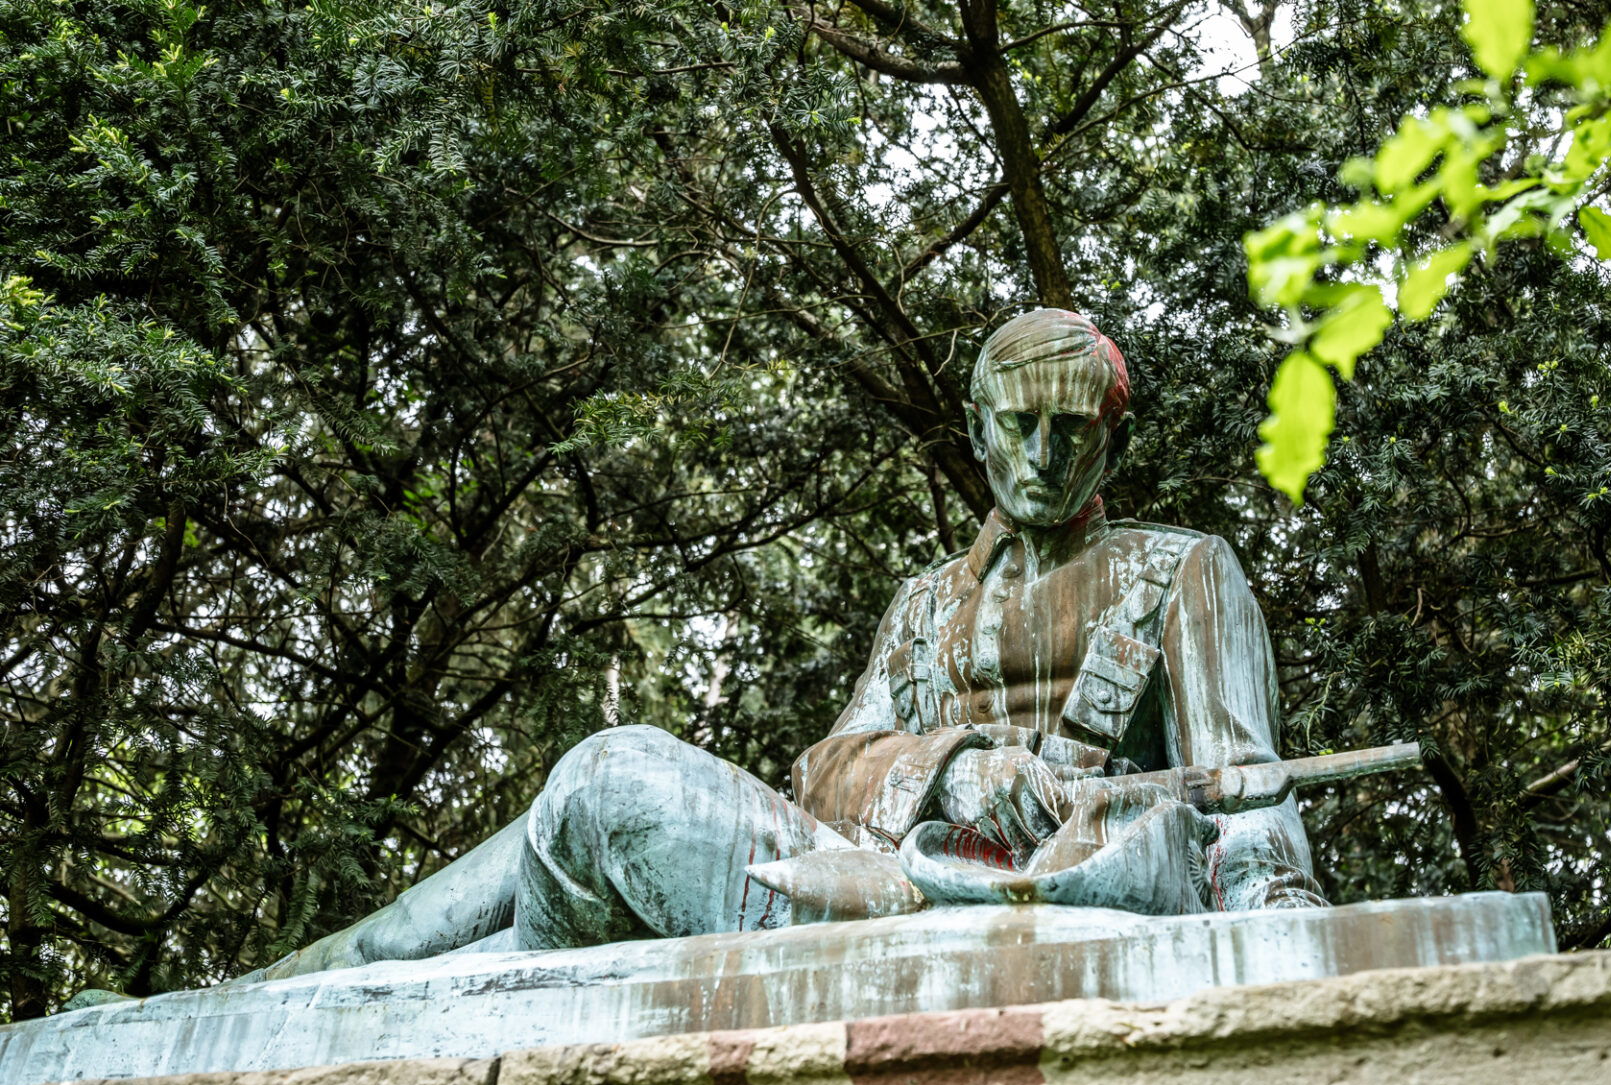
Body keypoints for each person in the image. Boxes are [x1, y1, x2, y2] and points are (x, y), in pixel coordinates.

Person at [243, 309, 1323, 983]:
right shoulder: (923, 602)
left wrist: (1287, 930)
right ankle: (275, 988)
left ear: (1111, 437)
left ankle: (302, 990)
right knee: (551, 833)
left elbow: (1252, 790)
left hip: (1012, 894)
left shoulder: (1184, 570)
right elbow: (826, 769)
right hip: (860, 860)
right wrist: (950, 769)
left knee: (601, 786)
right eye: (1019, 425)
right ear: (979, 423)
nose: (1042, 455)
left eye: (1072, 430)